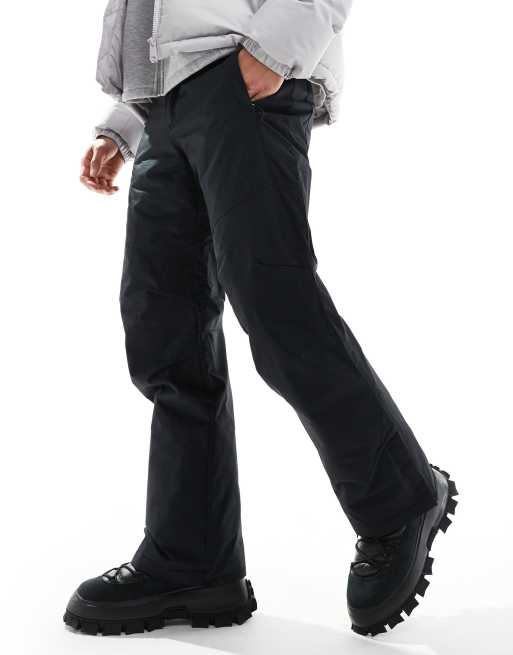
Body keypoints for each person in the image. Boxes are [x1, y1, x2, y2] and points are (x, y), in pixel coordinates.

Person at [64, 0, 458, 638]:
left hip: (240, 75)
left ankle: (400, 498)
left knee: (276, 302)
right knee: (164, 329)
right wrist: (127, 118)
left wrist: (274, 51)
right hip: (165, 100)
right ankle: (192, 559)